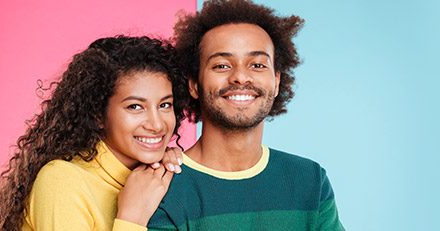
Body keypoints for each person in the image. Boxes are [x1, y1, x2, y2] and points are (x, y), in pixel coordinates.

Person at [147, 0, 344, 230]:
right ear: (194, 85)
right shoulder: (161, 187)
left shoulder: (310, 181)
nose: (240, 77)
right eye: (221, 65)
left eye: (258, 65)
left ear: (277, 81)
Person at [0, 36, 189, 231]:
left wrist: (166, 173)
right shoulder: (62, 182)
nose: (156, 125)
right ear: (97, 115)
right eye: (135, 107)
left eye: (165, 105)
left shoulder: (154, 181)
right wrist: (131, 218)